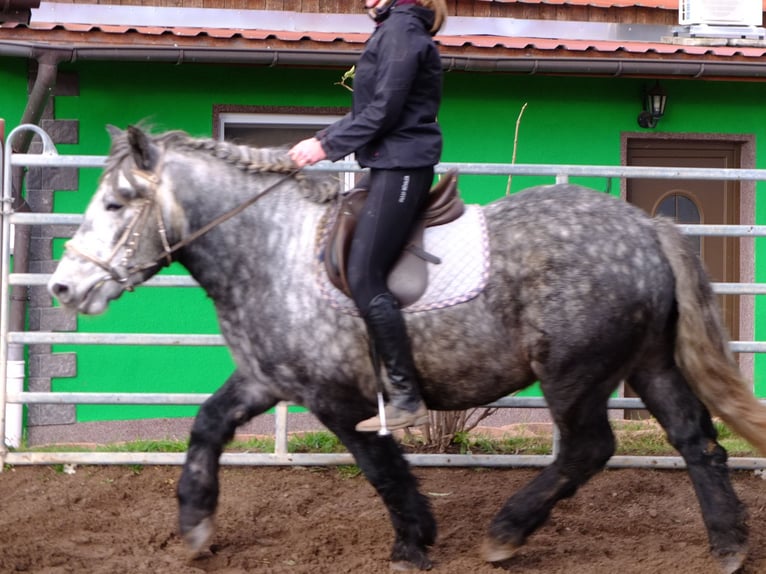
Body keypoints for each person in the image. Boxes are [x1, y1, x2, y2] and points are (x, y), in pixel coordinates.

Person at [289, 0, 446, 432]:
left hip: (402, 166)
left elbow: (383, 111)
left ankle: (406, 396)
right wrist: (324, 137)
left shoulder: (401, 31)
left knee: (363, 274)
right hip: (387, 163)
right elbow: (371, 111)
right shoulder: (397, 28)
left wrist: (324, 146)